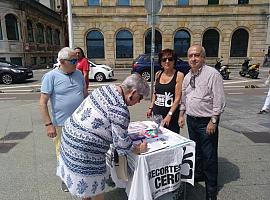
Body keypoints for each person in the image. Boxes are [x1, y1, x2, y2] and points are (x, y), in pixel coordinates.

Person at [56, 73, 149, 200]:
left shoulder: (106, 88)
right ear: (133, 92)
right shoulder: (120, 110)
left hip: (70, 134)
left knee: (84, 181)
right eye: (140, 97)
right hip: (84, 148)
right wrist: (138, 149)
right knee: (96, 185)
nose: (139, 102)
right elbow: (121, 145)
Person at [178, 45, 226, 200]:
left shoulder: (212, 74)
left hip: (207, 122)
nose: (193, 58)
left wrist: (213, 121)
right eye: (190, 55)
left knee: (209, 155)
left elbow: (219, 100)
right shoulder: (187, 76)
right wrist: (181, 114)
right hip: (191, 120)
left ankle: (211, 188)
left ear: (203, 58)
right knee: (196, 151)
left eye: (197, 55)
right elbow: (184, 99)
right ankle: (199, 174)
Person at [40, 47, 88, 191]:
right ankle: (65, 178)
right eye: (73, 60)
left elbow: (85, 95)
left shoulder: (79, 74)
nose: (76, 63)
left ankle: (80, 175)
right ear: (61, 62)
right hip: (61, 123)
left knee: (81, 150)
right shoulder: (50, 76)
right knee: (62, 152)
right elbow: (42, 103)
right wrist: (48, 124)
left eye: (77, 59)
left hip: (81, 122)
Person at [146, 48, 184, 134]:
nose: (167, 61)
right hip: (157, 113)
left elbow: (178, 98)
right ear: (160, 62)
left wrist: (169, 115)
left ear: (174, 61)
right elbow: (155, 93)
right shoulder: (158, 74)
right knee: (158, 137)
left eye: (170, 59)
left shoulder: (179, 75)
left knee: (172, 139)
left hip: (171, 115)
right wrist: (150, 107)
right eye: (164, 59)